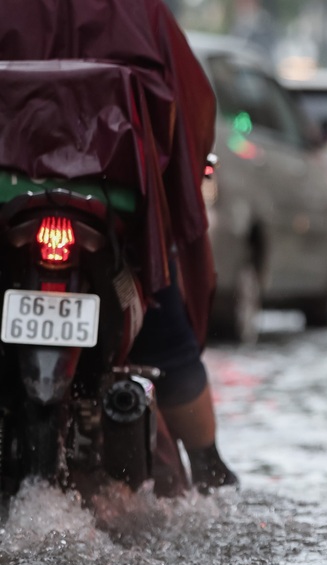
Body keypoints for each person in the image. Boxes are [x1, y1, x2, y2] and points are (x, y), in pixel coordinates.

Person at [0, 0, 237, 493]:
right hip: (113, 210)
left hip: (12, 206)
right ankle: (210, 469)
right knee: (167, 326)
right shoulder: (140, 10)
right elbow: (188, 108)